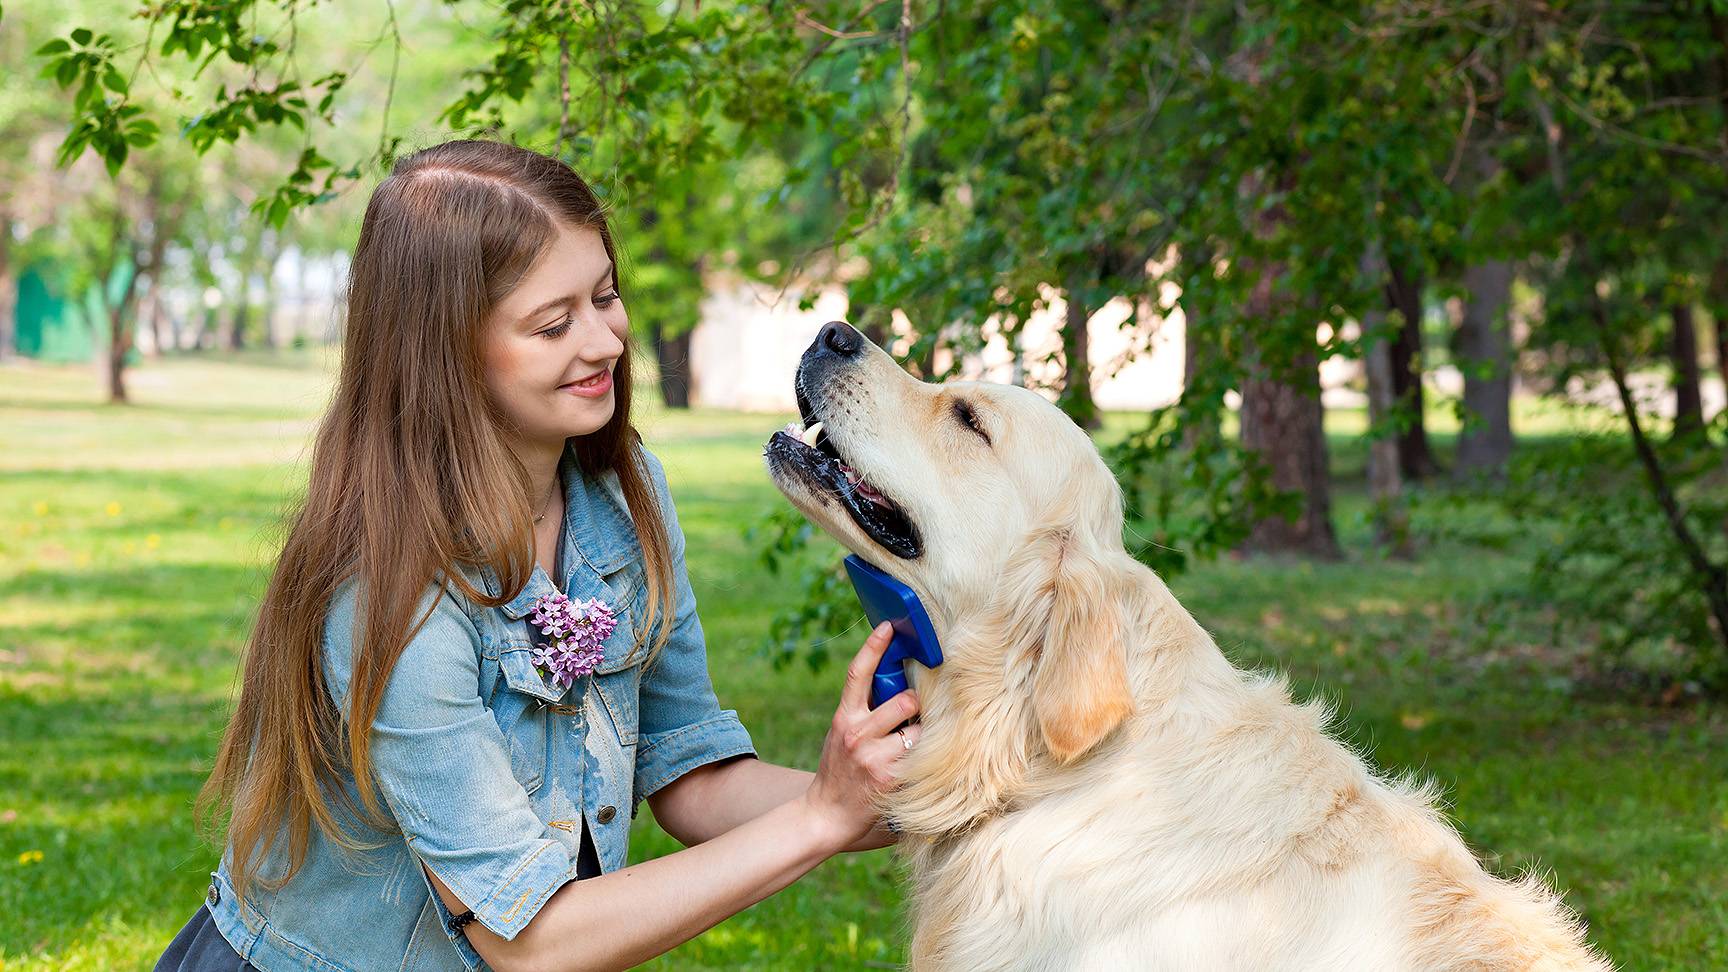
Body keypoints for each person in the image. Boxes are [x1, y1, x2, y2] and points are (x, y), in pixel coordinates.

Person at [155, 139, 923, 972]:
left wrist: (912, 798)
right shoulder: (389, 589)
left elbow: (691, 775)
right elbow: (524, 940)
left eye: (606, 296)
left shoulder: (625, 498)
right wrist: (817, 818)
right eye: (554, 323)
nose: (604, 342)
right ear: (444, 351)